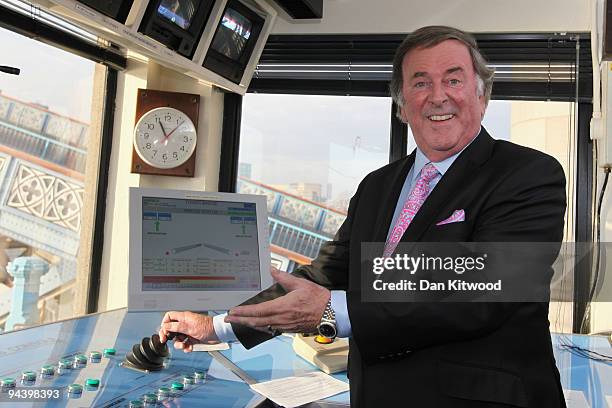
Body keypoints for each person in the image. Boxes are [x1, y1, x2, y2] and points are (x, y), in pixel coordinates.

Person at [160, 25, 567, 407]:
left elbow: (483, 291)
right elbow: (325, 275)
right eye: (420, 83)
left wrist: (331, 312)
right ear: (403, 105)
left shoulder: (528, 175)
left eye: (454, 80)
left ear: (482, 95)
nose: (438, 96)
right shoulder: (377, 186)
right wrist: (219, 326)